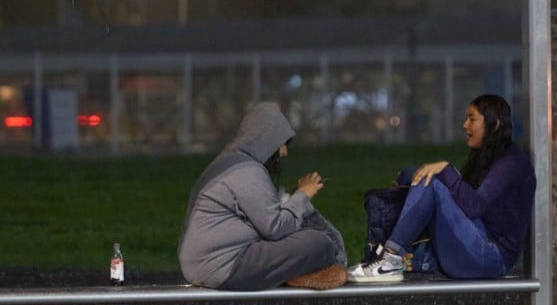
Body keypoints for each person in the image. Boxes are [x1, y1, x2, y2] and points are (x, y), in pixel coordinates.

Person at [348, 94, 536, 283]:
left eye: (472, 119)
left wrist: (446, 170)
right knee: (421, 174)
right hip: (475, 248)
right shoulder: (486, 159)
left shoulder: (512, 164)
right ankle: (382, 258)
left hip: (491, 259)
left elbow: (474, 207)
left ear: (494, 125)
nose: (465, 125)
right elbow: (463, 202)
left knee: (431, 182)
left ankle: (390, 260)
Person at [178, 102, 348, 291]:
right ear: (267, 140)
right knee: (319, 243)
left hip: (203, 265)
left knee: (303, 239)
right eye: (282, 143)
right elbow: (275, 228)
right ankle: (293, 274)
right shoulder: (247, 170)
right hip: (224, 266)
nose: (284, 152)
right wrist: (303, 194)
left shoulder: (232, 162)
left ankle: (290, 273)